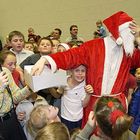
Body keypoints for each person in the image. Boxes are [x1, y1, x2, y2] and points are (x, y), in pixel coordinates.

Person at [31, 11, 140, 128]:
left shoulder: (128, 51)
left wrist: (139, 38)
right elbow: (71, 55)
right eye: (129, 33)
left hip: (117, 106)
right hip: (95, 104)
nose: (131, 36)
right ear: (117, 32)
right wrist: (46, 60)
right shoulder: (93, 46)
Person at [0, 67, 33, 140]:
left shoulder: (4, 71)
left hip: (11, 119)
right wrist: (1, 88)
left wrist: (30, 87)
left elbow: (15, 98)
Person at [60, 65, 93, 131]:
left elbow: (84, 105)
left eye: (83, 71)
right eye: (77, 70)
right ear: (71, 71)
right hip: (65, 117)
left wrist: (88, 94)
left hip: (78, 118)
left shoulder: (85, 85)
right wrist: (60, 89)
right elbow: (57, 95)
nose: (80, 73)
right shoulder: (64, 80)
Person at [128, 68, 140, 134]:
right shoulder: (132, 87)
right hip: (128, 119)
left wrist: (134, 127)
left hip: (134, 125)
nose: (139, 76)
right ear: (134, 74)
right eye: (138, 73)